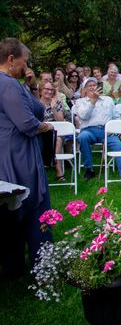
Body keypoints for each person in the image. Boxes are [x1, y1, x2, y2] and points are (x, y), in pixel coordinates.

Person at [0, 38, 54, 278]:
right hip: (18, 152)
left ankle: (14, 267)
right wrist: (47, 127)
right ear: (11, 59)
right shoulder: (7, 85)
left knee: (11, 207)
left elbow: (37, 108)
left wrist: (30, 86)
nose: (27, 65)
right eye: (24, 60)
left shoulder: (14, 83)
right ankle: (43, 265)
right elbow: (27, 123)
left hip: (10, 151)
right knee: (33, 202)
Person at [73, 78, 121, 181]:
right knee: (82, 137)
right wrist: (93, 101)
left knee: (119, 145)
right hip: (88, 130)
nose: (92, 87)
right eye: (89, 86)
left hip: (107, 130)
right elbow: (83, 116)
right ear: (84, 89)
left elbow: (116, 117)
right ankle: (89, 169)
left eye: (94, 85)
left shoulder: (108, 100)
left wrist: (115, 129)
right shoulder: (80, 102)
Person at [40, 81, 71, 181]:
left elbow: (60, 121)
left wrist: (53, 108)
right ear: (41, 90)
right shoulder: (36, 103)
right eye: (46, 89)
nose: (49, 92)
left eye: (51, 90)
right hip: (41, 132)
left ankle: (57, 168)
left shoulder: (56, 102)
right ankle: (58, 170)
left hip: (56, 132)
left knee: (57, 138)